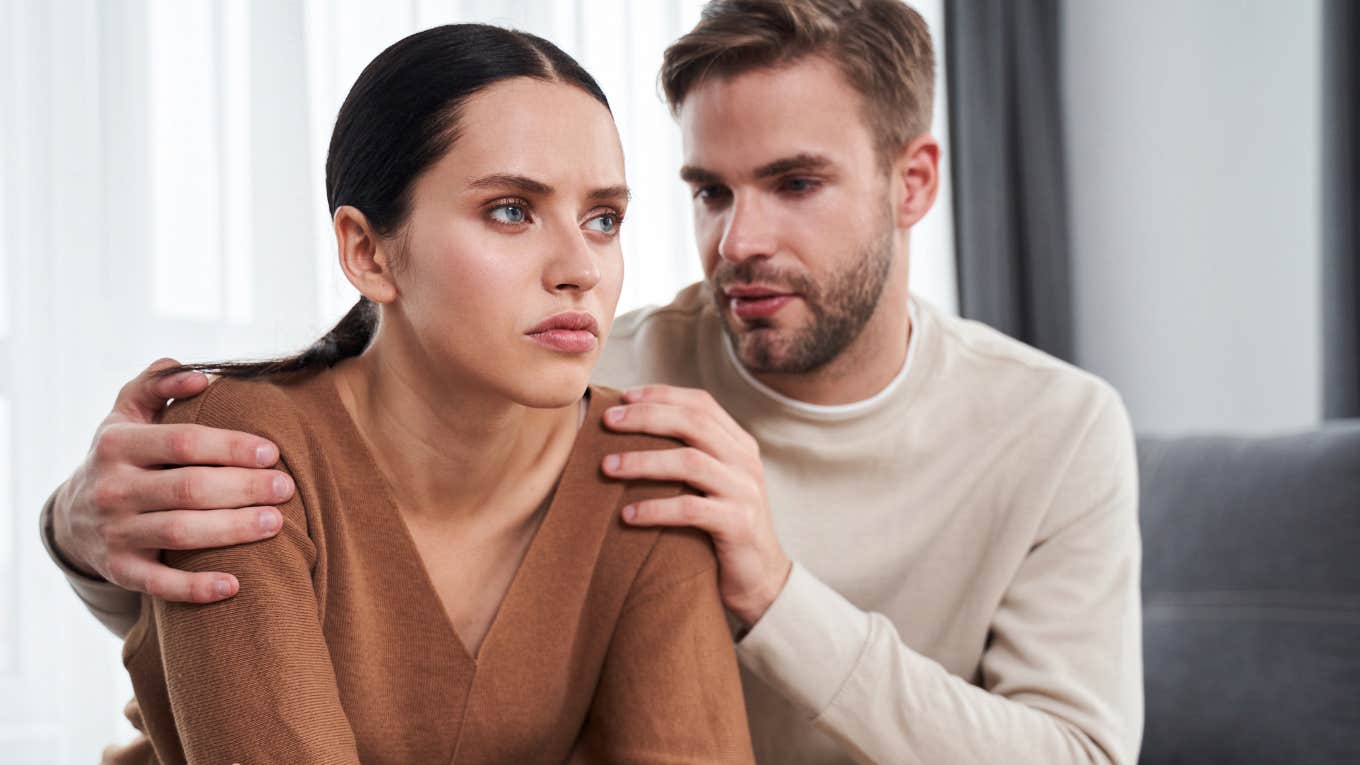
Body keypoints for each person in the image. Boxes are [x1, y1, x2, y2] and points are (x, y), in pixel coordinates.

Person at [43, 2, 1143, 764]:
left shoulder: (1055, 429)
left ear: (913, 184)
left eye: (795, 183)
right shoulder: (573, 375)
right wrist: (79, 532)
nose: (738, 240)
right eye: (708, 192)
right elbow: (280, 523)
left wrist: (773, 593)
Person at [87, 23, 755, 765]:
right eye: (511, 210)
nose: (581, 268)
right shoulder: (240, 446)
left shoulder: (647, 477)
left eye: (603, 219)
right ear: (368, 252)